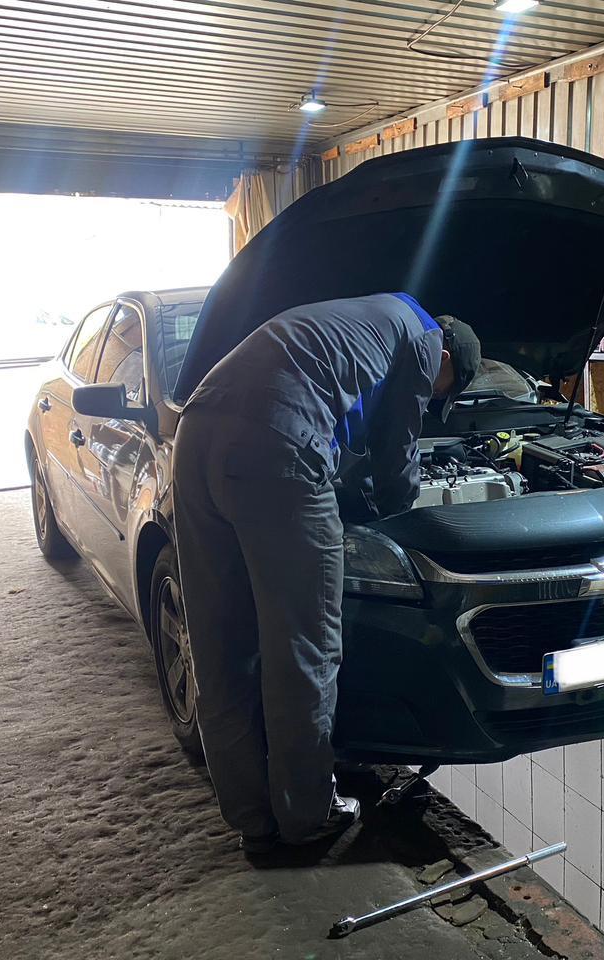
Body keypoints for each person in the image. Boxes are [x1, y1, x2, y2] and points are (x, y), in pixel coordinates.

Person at [173, 293, 480, 851]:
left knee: (220, 642)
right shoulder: (425, 338)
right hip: (277, 443)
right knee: (304, 647)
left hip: (195, 437)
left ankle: (251, 816)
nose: (436, 398)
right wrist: (402, 516)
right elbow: (396, 456)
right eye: (444, 392)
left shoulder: (371, 316)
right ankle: (305, 814)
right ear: (448, 360)